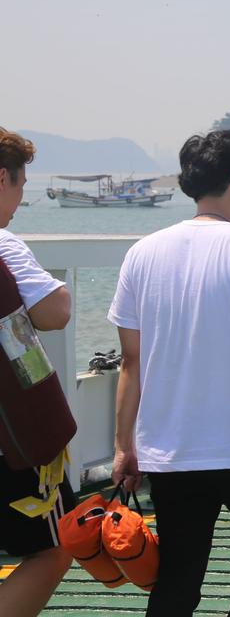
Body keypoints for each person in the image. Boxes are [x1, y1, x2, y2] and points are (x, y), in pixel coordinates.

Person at [108, 130, 230, 616]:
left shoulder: (142, 253)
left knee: (179, 577)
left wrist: (123, 445)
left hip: (169, 448)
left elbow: (131, 361)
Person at [0, 129, 75, 617]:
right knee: (55, 547)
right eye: (20, 185)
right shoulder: (3, 244)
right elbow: (55, 312)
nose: (19, 201)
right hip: (10, 445)